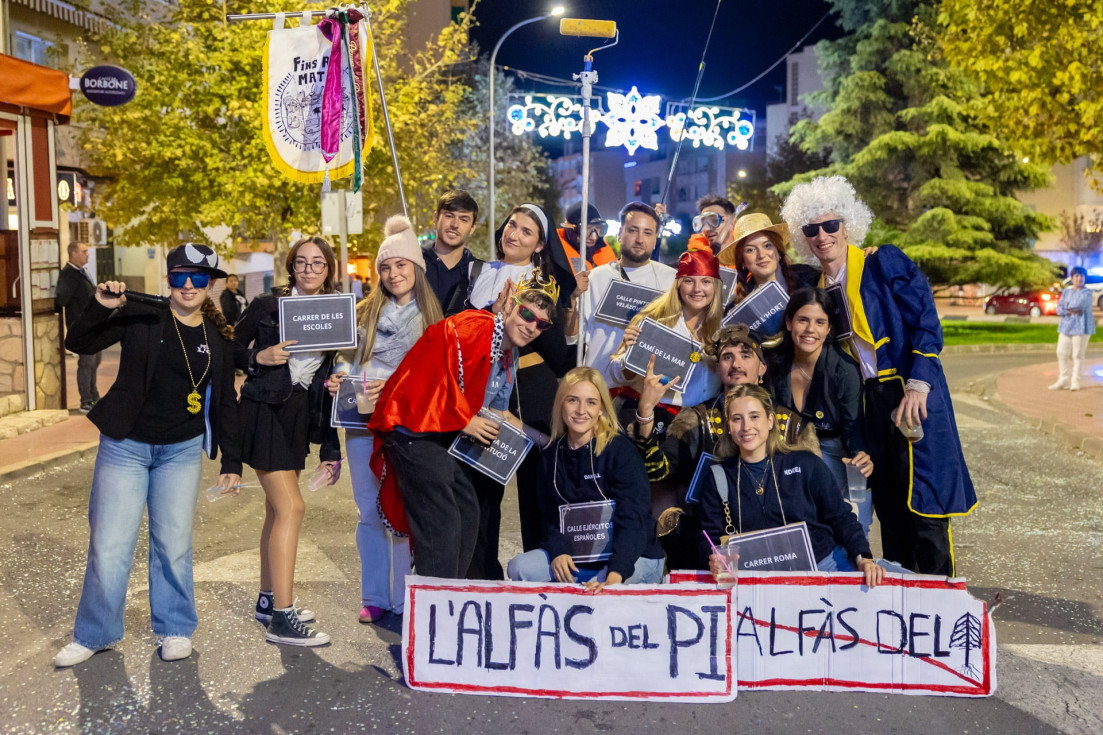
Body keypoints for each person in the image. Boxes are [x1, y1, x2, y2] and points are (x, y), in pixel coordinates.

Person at [54, 243, 241, 668]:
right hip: (126, 445)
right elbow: (79, 342)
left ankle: (175, 629)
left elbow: (225, 403)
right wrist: (100, 306)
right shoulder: (143, 315)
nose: (188, 285)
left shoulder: (217, 338)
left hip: (182, 450)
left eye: (198, 278)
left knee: (173, 545)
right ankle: (95, 633)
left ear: (211, 284)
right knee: (109, 544)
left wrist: (231, 460)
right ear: (169, 279)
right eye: (179, 276)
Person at [780, 175, 976, 576]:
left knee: (924, 502)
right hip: (866, 403)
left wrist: (921, 383)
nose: (822, 236)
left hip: (906, 389)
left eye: (831, 224)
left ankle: (939, 598)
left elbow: (925, 322)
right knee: (887, 503)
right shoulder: (814, 286)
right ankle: (903, 604)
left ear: (847, 224)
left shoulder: (882, 261)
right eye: (811, 229)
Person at [368, 272, 559, 580]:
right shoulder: (475, 328)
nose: (532, 326)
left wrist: (548, 442)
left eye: (542, 324)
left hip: (440, 434)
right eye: (527, 314)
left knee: (469, 510)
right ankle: (434, 604)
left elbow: (498, 414)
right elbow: (428, 376)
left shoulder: (510, 354)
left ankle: (451, 593)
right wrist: (465, 419)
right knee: (442, 520)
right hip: (412, 429)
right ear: (510, 305)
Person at [448, 203, 576, 570]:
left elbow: (556, 356)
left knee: (536, 493)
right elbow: (456, 326)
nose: (513, 234)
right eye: (511, 225)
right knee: (479, 492)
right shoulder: (478, 272)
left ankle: (541, 574)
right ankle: (480, 574)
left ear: (539, 246)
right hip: (480, 390)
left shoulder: (543, 286)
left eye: (526, 231)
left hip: (529, 393)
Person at [328, 216, 443, 624]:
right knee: (370, 512)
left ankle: (405, 596)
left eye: (401, 265)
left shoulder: (433, 321)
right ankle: (375, 595)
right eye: (386, 267)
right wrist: (340, 379)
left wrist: (395, 386)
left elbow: (435, 382)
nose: (393, 274)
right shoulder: (362, 315)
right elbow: (344, 364)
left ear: (417, 269)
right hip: (362, 426)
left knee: (405, 511)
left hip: (410, 431)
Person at [234, 236, 342, 646]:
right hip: (264, 410)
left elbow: (331, 377)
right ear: (291, 267)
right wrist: (256, 359)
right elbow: (230, 345)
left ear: (328, 269)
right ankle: (282, 615)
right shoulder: (267, 305)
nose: (309, 269)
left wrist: (331, 450)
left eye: (317, 263)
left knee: (275, 511)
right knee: (291, 507)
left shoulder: (336, 312)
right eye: (301, 262)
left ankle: (268, 599)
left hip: (299, 414)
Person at [699, 384, 889, 587]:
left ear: (770, 420)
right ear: (729, 426)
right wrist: (713, 558)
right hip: (758, 578)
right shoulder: (718, 476)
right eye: (737, 419)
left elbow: (841, 516)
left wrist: (864, 559)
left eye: (755, 416)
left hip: (824, 565)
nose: (746, 427)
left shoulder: (805, 463)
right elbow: (709, 538)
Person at [506, 367, 665, 590]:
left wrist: (614, 574)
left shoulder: (619, 451)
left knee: (598, 587)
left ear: (601, 408)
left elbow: (634, 518)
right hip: (580, 558)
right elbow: (550, 517)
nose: (581, 410)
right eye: (573, 400)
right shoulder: (552, 455)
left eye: (591, 402)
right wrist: (558, 550)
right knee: (519, 568)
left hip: (631, 557)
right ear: (561, 404)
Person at [630, 325, 771, 568]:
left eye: (745, 355)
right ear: (718, 368)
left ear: (762, 368)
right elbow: (656, 471)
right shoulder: (696, 417)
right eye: (727, 357)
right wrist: (645, 414)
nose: (736, 364)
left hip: (771, 531)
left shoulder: (788, 422)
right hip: (708, 531)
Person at [769, 288, 874, 535]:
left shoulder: (844, 369)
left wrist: (861, 456)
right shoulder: (773, 363)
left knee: (854, 523)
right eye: (803, 320)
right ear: (788, 322)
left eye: (820, 322)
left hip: (835, 448)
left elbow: (853, 428)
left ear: (828, 329)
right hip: (789, 449)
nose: (810, 330)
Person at [608, 249, 724, 433]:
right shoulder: (654, 320)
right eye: (689, 281)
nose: (697, 289)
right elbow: (616, 373)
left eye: (706, 281)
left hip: (697, 426)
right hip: (649, 416)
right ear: (678, 284)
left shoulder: (723, 329)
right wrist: (630, 358)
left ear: (716, 286)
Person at [573, 201, 677, 373]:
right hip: (599, 383)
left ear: (655, 240)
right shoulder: (595, 277)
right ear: (620, 234)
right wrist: (570, 300)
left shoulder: (671, 279)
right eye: (632, 230)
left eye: (647, 233)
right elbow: (573, 336)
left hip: (645, 387)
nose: (639, 239)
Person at [718, 212, 819, 306]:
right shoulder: (735, 308)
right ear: (743, 261)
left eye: (767, 246)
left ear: (778, 250)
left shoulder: (813, 277)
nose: (761, 255)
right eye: (750, 250)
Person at [56, 242, 100, 412]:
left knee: (95, 361)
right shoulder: (68, 274)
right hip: (81, 326)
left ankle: (94, 395)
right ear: (73, 254)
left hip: (93, 324)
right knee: (87, 362)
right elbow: (62, 299)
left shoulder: (82, 272)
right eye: (84, 251)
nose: (87, 254)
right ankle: (86, 401)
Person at [423, 190, 480, 315]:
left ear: (472, 228)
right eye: (449, 216)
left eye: (464, 219)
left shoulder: (479, 274)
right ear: (435, 218)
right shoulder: (414, 262)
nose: (455, 225)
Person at [1049, 266, 1096, 391]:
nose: (1079, 278)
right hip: (1066, 326)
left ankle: (1075, 380)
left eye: (1081, 276)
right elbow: (1059, 308)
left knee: (1078, 354)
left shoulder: (1087, 293)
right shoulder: (1067, 292)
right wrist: (1069, 310)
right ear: (1072, 278)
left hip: (1082, 326)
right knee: (1061, 352)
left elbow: (1079, 305)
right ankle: (1063, 379)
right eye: (1076, 276)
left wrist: (1068, 308)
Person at [558, 202, 616, 270]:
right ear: (570, 230)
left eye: (598, 228)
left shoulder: (604, 250)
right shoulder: (555, 255)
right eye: (587, 229)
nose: (593, 237)